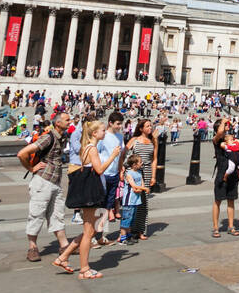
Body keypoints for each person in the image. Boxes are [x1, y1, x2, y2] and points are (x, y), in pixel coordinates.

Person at [56, 120, 120, 279]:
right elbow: (99, 170)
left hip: (87, 192)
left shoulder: (85, 147)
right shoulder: (91, 149)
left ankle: (64, 257)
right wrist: (113, 156)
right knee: (89, 232)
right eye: (103, 131)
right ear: (94, 133)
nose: (105, 133)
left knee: (90, 230)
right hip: (91, 193)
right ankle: (84, 269)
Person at [17, 112, 76, 265]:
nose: (70, 122)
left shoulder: (62, 137)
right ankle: (32, 247)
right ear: (58, 123)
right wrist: (31, 168)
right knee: (37, 214)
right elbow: (22, 153)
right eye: (67, 120)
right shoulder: (48, 137)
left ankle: (64, 245)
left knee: (57, 214)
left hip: (55, 182)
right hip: (42, 181)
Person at [211, 122, 239, 237]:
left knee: (231, 200)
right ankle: (215, 228)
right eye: (224, 125)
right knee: (218, 200)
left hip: (233, 174)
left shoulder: (231, 140)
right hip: (221, 174)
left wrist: (238, 162)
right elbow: (219, 132)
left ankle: (231, 226)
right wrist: (224, 120)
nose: (227, 125)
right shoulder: (216, 140)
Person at [127, 119, 157, 238]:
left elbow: (154, 159)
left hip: (147, 172)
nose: (150, 128)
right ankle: (129, 229)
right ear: (141, 128)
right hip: (135, 173)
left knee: (144, 202)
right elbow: (124, 154)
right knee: (132, 201)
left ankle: (141, 230)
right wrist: (122, 170)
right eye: (147, 126)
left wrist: (154, 176)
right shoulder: (134, 140)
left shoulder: (153, 141)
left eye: (151, 125)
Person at [117, 151, 150, 244]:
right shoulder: (129, 173)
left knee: (132, 219)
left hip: (136, 200)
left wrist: (142, 188)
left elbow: (141, 183)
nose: (142, 163)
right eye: (140, 162)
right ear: (134, 164)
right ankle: (123, 238)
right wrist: (143, 188)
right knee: (126, 219)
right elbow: (133, 185)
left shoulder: (139, 172)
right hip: (129, 201)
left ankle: (128, 236)